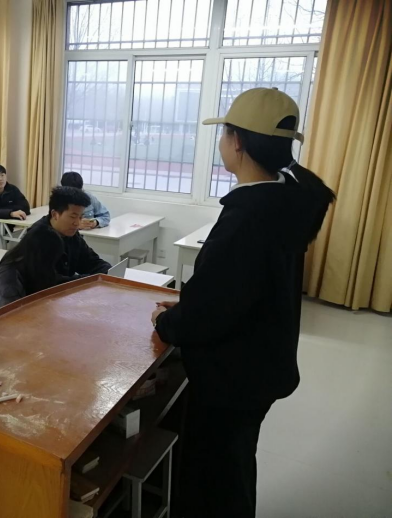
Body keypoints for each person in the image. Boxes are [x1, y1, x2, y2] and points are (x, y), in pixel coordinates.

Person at [151, 88, 335, 518]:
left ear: (237, 141)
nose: (222, 142)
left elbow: (211, 311)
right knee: (234, 463)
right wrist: (188, 306)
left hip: (233, 376)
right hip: (262, 363)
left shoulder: (249, 216)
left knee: (214, 478)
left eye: (224, 133)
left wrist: (167, 321)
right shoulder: (286, 199)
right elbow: (239, 290)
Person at [0, 226, 67, 318]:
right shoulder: (7, 277)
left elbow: (56, 278)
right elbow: (12, 317)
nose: (53, 265)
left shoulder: (33, 266)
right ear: (43, 257)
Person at [30, 186, 111, 278]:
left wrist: (109, 272)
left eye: (80, 217)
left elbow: (91, 262)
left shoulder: (71, 234)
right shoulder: (38, 237)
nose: (77, 223)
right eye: (73, 217)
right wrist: (92, 278)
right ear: (55, 214)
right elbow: (50, 281)